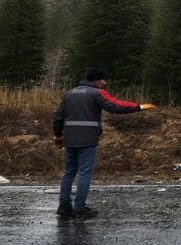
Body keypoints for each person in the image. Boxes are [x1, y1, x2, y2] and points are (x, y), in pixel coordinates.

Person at [53, 68, 154, 218]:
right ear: (96, 80)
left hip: (69, 139)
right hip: (87, 139)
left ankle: (64, 206)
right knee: (85, 174)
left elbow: (58, 116)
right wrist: (138, 107)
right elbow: (115, 106)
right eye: (102, 79)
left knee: (68, 172)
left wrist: (58, 135)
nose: (104, 82)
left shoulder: (69, 94)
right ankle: (79, 208)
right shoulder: (97, 93)